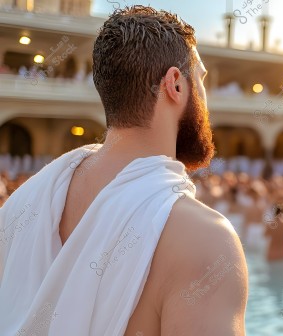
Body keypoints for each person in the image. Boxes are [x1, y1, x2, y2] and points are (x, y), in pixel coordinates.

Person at [0, 6, 248, 335]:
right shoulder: (206, 240)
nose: (206, 97)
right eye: (200, 80)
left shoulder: (21, 205)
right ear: (175, 84)